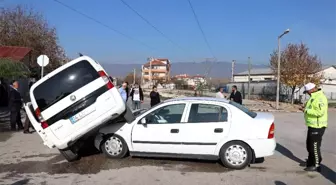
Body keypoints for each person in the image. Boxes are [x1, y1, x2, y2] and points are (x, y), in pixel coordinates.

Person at [299, 82, 328, 172]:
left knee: (314, 146)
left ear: (312, 89)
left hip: (318, 126)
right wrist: (305, 108)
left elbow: (320, 112)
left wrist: (306, 111)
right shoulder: (313, 97)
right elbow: (312, 108)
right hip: (312, 125)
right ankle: (311, 161)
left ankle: (317, 165)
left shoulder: (320, 98)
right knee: (309, 145)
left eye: (307, 91)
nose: (307, 93)